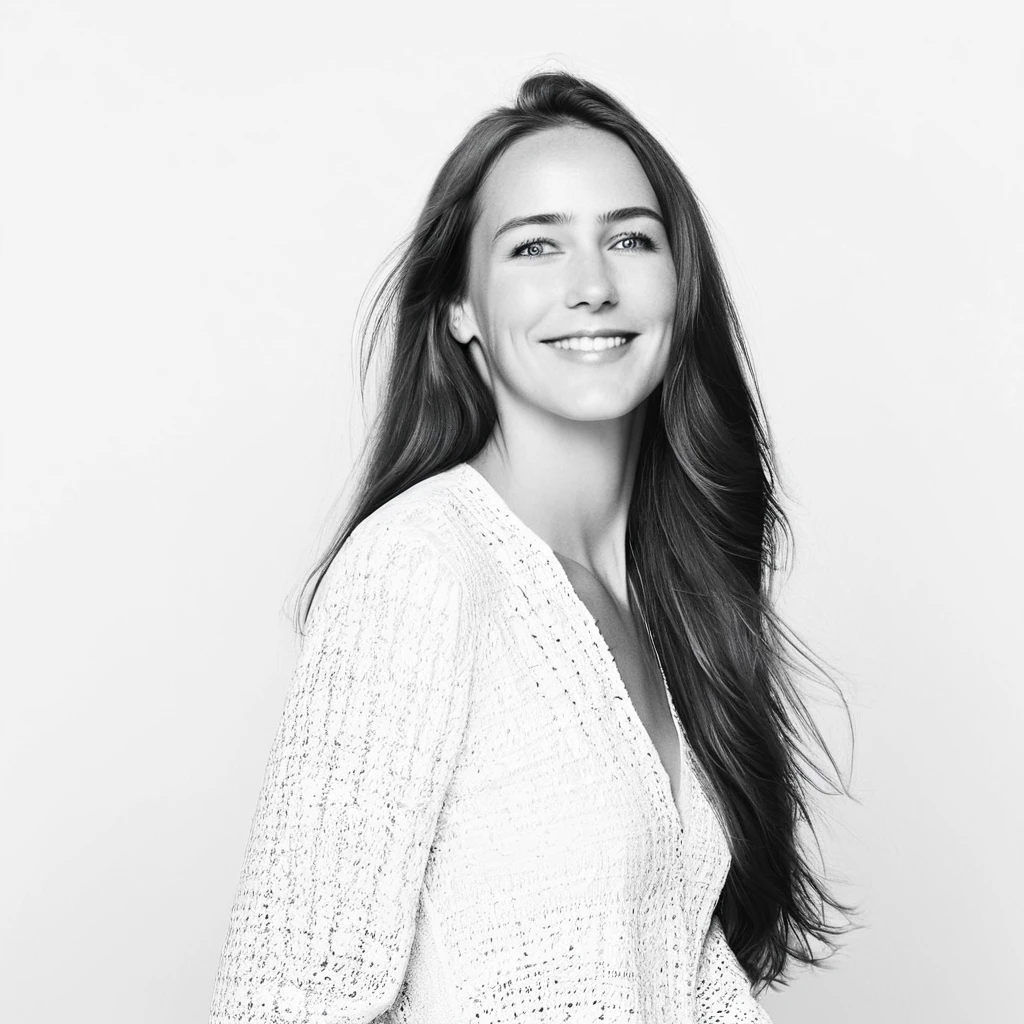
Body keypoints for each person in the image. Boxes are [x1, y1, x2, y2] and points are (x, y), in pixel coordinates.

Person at [208, 71, 850, 1023]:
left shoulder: (670, 600)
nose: (591, 286)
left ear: (680, 289)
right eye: (536, 246)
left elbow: (686, 985)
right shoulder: (422, 570)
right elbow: (282, 1004)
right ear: (461, 308)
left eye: (630, 238)